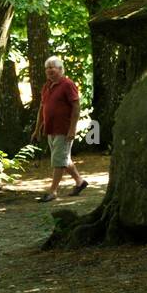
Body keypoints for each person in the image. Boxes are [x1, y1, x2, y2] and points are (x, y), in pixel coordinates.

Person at [31, 56, 88, 202]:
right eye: (47, 68)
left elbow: (76, 106)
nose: (49, 70)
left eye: (52, 67)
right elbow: (42, 109)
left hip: (64, 128)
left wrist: (72, 129)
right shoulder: (46, 86)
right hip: (50, 129)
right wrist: (37, 129)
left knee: (58, 160)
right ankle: (80, 182)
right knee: (63, 158)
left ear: (60, 69)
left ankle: (53, 191)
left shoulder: (67, 84)